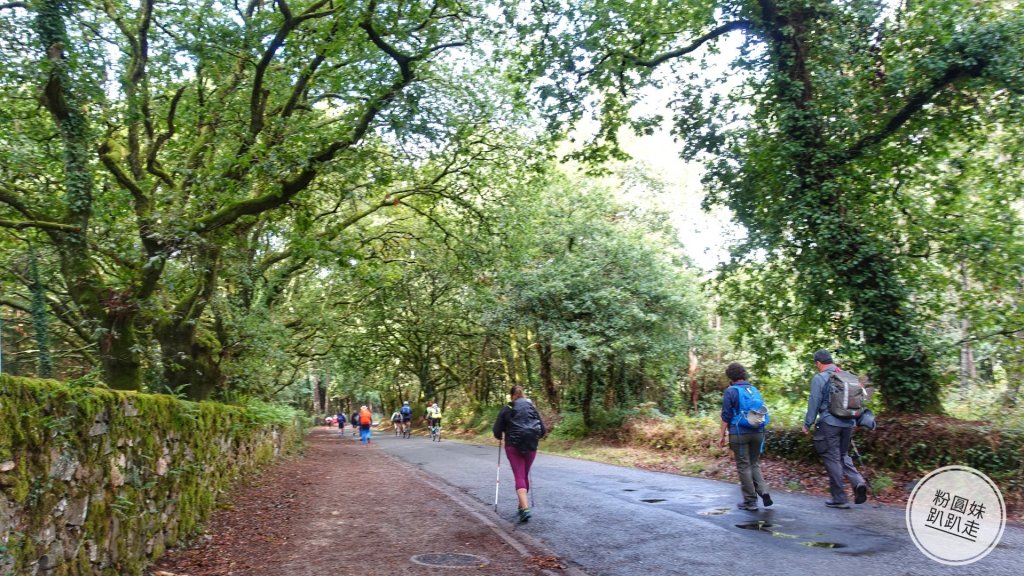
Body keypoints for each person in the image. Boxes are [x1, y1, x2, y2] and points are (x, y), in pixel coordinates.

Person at [803, 349, 868, 509]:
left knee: (832, 457)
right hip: (848, 423)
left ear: (818, 363)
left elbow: (815, 401)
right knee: (843, 455)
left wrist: (807, 423)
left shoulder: (820, 378)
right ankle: (858, 482)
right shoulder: (846, 376)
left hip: (830, 423)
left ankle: (839, 497)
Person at [719, 362, 772, 511]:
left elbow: (726, 416)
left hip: (740, 433)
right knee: (754, 463)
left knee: (743, 466)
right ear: (743, 374)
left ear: (730, 377)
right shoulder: (753, 390)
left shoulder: (731, 391)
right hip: (758, 432)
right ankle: (764, 491)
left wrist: (722, 435)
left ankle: (750, 500)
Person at [493, 386, 545, 523]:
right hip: (531, 445)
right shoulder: (532, 407)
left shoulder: (508, 408)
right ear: (523, 394)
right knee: (524, 475)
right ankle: (522, 505)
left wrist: (501, 434)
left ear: (512, 396)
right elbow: (543, 430)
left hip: (513, 446)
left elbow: (496, 431)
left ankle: (525, 509)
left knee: (519, 475)